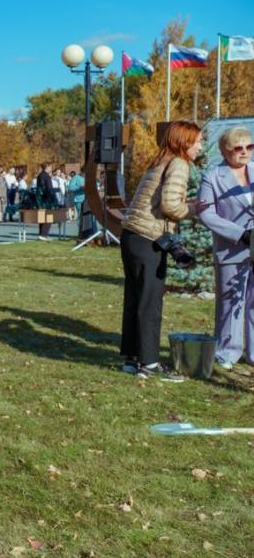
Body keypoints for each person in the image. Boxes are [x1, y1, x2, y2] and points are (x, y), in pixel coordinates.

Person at [119, 120, 207, 381]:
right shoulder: (179, 163)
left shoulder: (161, 159)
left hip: (132, 235)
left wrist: (185, 203)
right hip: (148, 237)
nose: (201, 146)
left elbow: (160, 200)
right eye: (198, 141)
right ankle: (150, 364)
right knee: (150, 302)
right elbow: (170, 207)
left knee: (135, 298)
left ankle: (132, 359)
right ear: (184, 142)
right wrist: (193, 210)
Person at [197, 127, 254, 371]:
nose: (244, 152)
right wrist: (239, 234)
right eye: (237, 148)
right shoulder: (212, 177)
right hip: (232, 249)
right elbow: (205, 213)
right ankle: (227, 352)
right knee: (231, 302)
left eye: (249, 147)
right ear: (224, 151)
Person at [35, 163, 54, 240]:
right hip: (47, 199)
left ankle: (41, 234)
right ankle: (44, 234)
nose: (51, 169)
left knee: (42, 216)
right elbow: (49, 188)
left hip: (40, 199)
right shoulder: (47, 176)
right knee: (49, 216)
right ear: (47, 167)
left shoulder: (39, 175)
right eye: (50, 167)